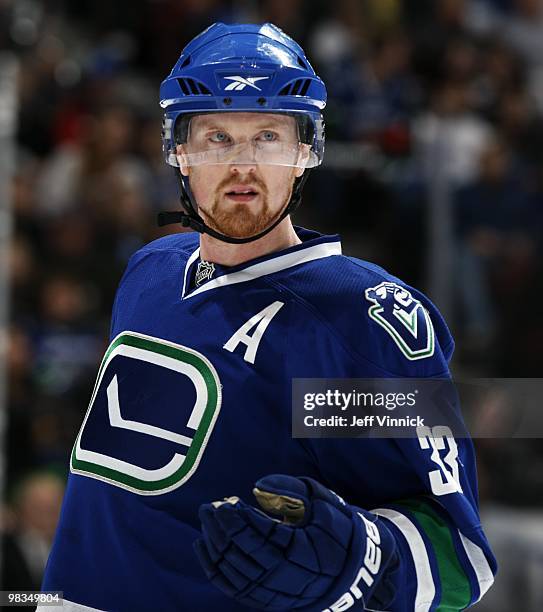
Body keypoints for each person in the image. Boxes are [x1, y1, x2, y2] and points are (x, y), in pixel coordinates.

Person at [40, 23, 496, 611]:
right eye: (217, 137)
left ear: (306, 152)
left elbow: (463, 559)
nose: (243, 166)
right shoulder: (150, 270)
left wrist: (365, 556)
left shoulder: (357, 321)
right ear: (178, 150)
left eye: (269, 137)